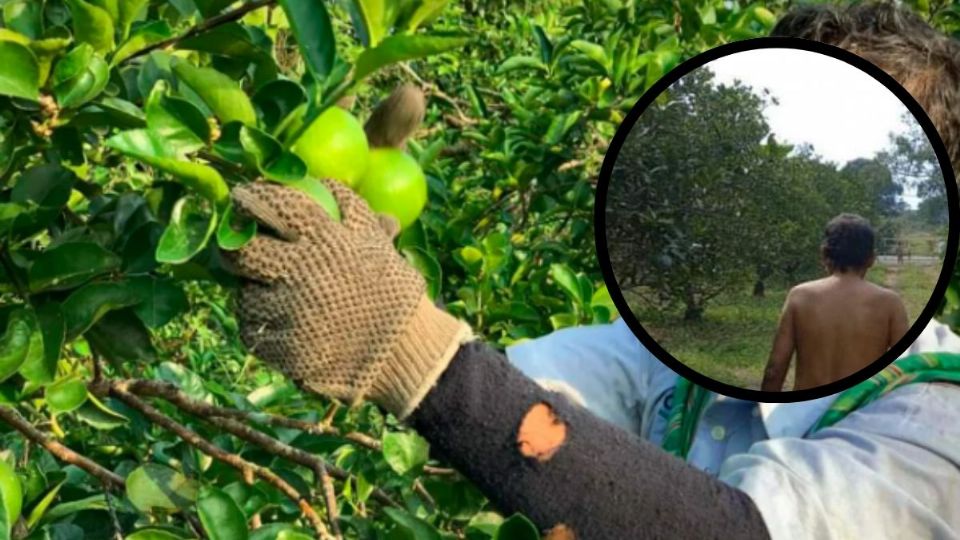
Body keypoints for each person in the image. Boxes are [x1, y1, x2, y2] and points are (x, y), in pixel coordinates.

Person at [226, 3, 960, 539]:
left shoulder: (943, 422)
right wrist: (361, 272)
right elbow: (503, 392)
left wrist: (402, 344)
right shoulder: (676, 367)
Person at [761, 214, 909, 391]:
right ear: (871, 259)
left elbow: (774, 370)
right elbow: (906, 369)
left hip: (809, 413)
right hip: (860, 411)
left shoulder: (800, 296)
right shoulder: (889, 303)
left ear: (824, 255)